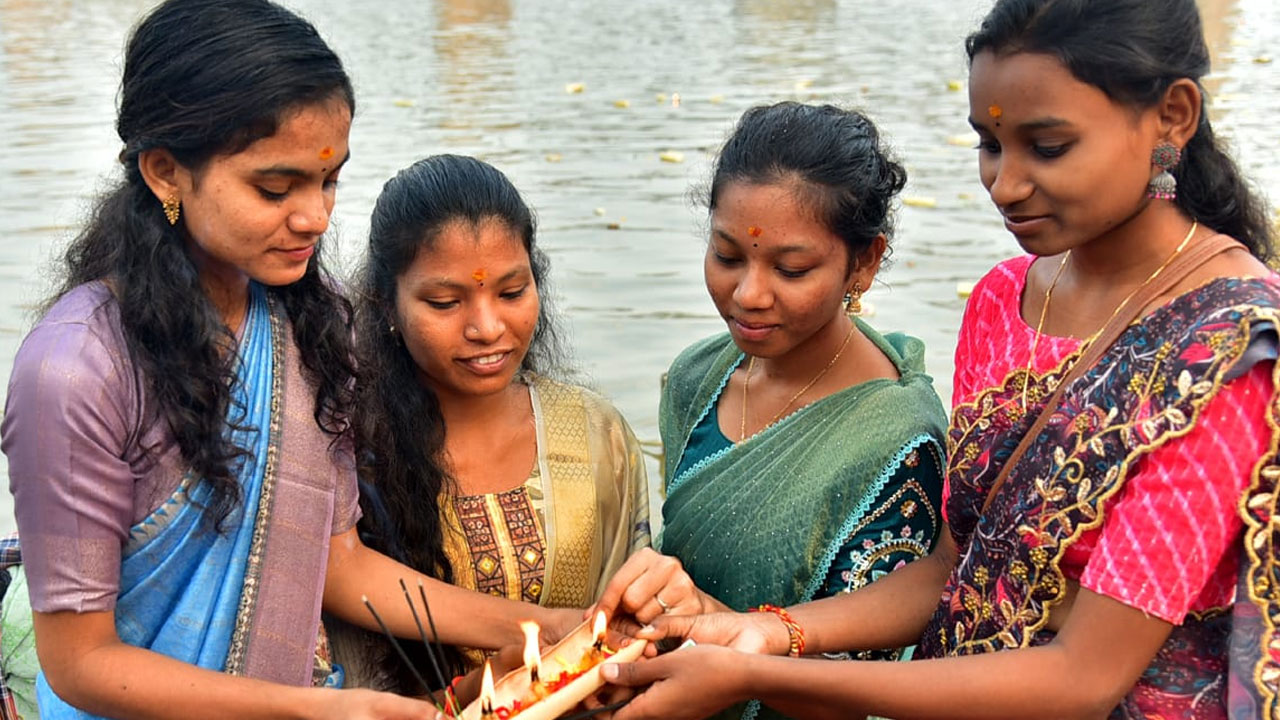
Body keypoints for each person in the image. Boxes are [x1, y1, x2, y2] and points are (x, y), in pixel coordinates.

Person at [592, 1, 1280, 718]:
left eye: (1047, 148)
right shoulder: (1005, 297)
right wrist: (768, 633)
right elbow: (952, 570)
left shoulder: (1230, 351)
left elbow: (1084, 678)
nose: (1004, 185)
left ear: (1172, 116)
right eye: (990, 143)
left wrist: (757, 674)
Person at [0, 3, 577, 719]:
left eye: (328, 181)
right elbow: (81, 662)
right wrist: (309, 710)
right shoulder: (75, 370)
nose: (316, 217)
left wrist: (543, 628)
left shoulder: (313, 323)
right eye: (275, 189)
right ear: (164, 172)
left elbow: (338, 563)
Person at [601, 102, 948, 720]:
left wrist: (719, 626)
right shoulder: (696, 377)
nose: (748, 295)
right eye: (728, 257)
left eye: (790, 268)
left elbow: (861, 687)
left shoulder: (896, 437)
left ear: (863, 262)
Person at [332, 154, 651, 691]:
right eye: (444, 301)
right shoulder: (345, 444)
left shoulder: (596, 433)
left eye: (511, 292)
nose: (487, 327)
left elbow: (629, 623)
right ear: (386, 304)